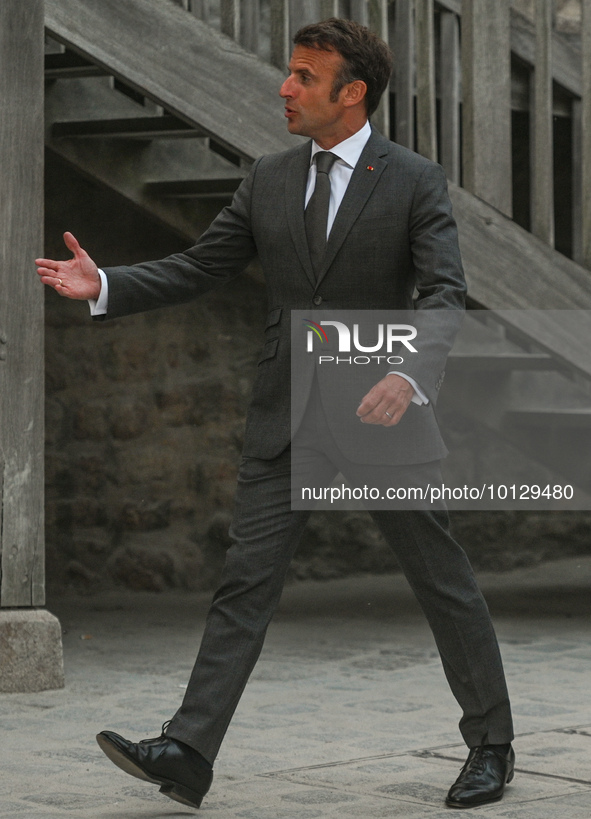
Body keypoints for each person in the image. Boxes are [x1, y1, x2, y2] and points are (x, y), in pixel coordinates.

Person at [37, 18, 514, 811]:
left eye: (302, 75)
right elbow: (203, 264)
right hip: (286, 413)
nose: (284, 88)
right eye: (287, 73)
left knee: (442, 582)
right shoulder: (267, 176)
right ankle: (189, 749)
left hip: (381, 414)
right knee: (243, 583)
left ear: (350, 92)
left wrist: (407, 371)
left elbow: (443, 292)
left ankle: (491, 745)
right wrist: (108, 285)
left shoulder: (413, 180)